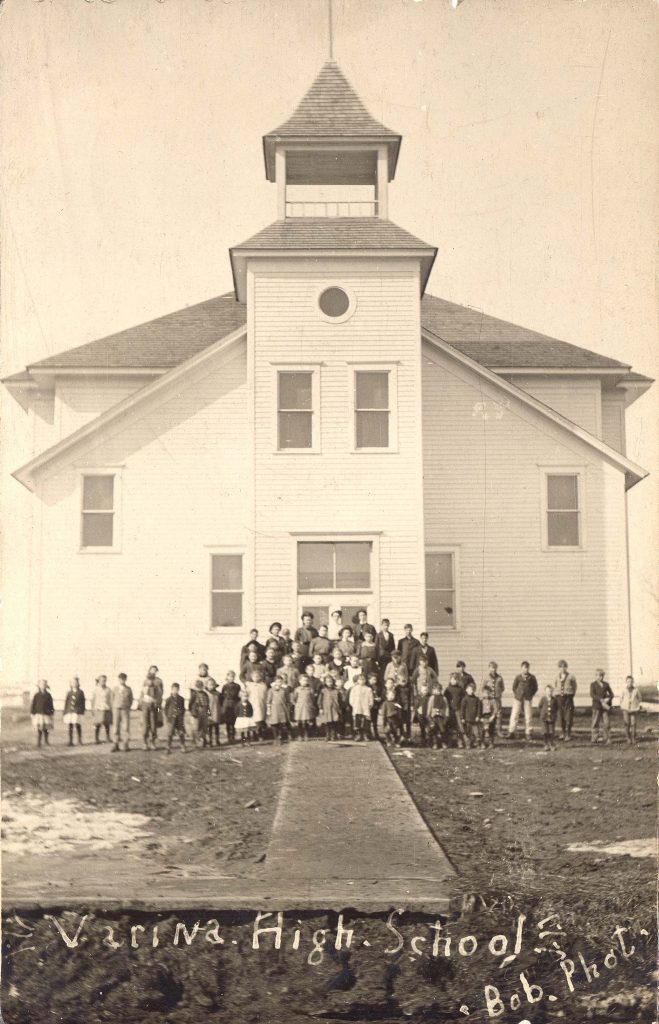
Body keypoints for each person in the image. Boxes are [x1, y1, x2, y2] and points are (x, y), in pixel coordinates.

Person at [508, 661, 538, 741]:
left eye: (527, 668)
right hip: (518, 698)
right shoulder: (518, 677)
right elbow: (514, 687)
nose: (526, 669)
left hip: (528, 699)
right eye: (524, 667)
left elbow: (535, 688)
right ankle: (511, 732)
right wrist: (518, 694)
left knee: (528, 716)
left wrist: (530, 694)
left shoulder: (532, 677)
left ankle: (528, 733)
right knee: (514, 715)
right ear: (521, 668)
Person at [555, 660, 577, 741]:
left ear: (566, 667)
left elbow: (574, 686)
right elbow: (555, 686)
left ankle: (568, 734)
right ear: (559, 668)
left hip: (568, 698)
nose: (562, 668)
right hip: (559, 698)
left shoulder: (571, 676)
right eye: (560, 667)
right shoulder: (557, 676)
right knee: (561, 716)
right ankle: (563, 733)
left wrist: (571, 694)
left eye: (564, 667)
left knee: (568, 716)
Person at [480, 662, 504, 737]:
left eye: (494, 668)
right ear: (489, 668)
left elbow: (502, 688)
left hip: (497, 699)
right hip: (489, 699)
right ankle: (489, 730)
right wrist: (486, 695)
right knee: (489, 714)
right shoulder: (486, 677)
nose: (493, 669)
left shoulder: (499, 677)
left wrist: (498, 694)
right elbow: (481, 688)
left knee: (498, 715)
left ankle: (499, 731)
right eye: (491, 668)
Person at [590, 668, 614, 744]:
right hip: (596, 706)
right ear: (595, 676)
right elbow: (592, 694)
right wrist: (600, 699)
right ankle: (594, 737)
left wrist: (608, 699)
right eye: (598, 675)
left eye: (602, 675)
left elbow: (611, 694)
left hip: (605, 707)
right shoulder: (593, 684)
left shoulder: (606, 684)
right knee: (595, 722)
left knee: (606, 722)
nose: (600, 677)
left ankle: (607, 737)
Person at [111, 673, 133, 752]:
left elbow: (131, 699)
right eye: (120, 679)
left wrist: (127, 706)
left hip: (125, 709)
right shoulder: (115, 688)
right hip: (116, 709)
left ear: (125, 680)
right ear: (118, 679)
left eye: (123, 679)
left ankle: (125, 744)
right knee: (115, 727)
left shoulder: (128, 689)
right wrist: (114, 707)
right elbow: (112, 699)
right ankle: (115, 744)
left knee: (126, 727)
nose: (122, 680)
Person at [349, 673, 374, 741]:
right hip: (357, 708)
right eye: (360, 679)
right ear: (357, 680)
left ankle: (365, 735)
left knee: (366, 722)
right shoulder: (354, 689)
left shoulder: (368, 689)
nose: (362, 681)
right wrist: (354, 705)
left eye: (363, 679)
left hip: (365, 708)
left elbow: (371, 699)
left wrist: (369, 705)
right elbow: (351, 699)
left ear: (365, 680)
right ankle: (358, 735)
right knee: (357, 722)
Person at [138, 675, 160, 750]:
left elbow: (158, 700)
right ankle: (145, 743)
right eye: (148, 680)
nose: (150, 682)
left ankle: (153, 743)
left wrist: (155, 703)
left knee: (153, 726)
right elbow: (140, 700)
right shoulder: (143, 689)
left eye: (152, 680)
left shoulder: (156, 689)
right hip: (145, 709)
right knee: (145, 726)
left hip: (153, 709)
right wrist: (142, 703)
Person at [267, 676, 291, 744]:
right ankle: (275, 737)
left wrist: (288, 707)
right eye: (277, 681)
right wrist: (268, 710)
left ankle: (280, 737)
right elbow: (268, 701)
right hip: (274, 709)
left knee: (281, 723)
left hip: (282, 708)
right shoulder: (271, 690)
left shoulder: (284, 690)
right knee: (274, 723)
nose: (279, 683)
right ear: (274, 682)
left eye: (280, 681)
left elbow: (288, 700)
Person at [445, 672, 466, 748]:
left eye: (455, 679)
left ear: (458, 680)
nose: (454, 681)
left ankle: (459, 741)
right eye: (452, 679)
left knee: (459, 726)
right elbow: (445, 700)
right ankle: (449, 741)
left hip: (458, 710)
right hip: (450, 710)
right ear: (450, 680)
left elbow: (464, 700)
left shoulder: (461, 690)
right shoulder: (447, 689)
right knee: (450, 726)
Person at [459, 681, 483, 749]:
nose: (471, 691)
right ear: (466, 690)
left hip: (475, 720)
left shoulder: (476, 699)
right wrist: (462, 718)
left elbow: (479, 709)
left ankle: (478, 744)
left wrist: (478, 716)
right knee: (468, 732)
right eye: (469, 689)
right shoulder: (464, 699)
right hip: (467, 719)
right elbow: (462, 710)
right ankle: (468, 744)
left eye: (473, 689)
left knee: (476, 732)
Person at [31, 679, 54, 748]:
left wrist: (51, 713)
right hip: (39, 714)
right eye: (41, 684)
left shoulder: (48, 695)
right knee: (40, 728)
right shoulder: (36, 695)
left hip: (46, 714)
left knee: (46, 728)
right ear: (39, 686)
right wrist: (32, 713)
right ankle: (39, 741)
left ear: (46, 686)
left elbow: (51, 705)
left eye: (44, 684)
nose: (43, 686)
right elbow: (33, 704)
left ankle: (46, 740)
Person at [246, 670, 268, 741]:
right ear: (252, 678)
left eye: (258, 676)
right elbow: (246, 694)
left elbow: (266, 695)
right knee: (254, 720)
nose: (256, 678)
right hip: (253, 704)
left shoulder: (263, 685)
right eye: (254, 677)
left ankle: (261, 734)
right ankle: (255, 735)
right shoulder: (250, 686)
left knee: (261, 719)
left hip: (261, 704)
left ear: (260, 677)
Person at [164, 683, 186, 753]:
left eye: (177, 689)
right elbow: (165, 709)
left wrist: (181, 715)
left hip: (179, 719)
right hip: (171, 719)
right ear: (171, 689)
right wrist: (168, 716)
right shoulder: (168, 699)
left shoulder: (181, 699)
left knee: (181, 733)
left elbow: (183, 708)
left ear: (178, 690)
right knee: (170, 733)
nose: (175, 691)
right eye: (174, 689)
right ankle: (168, 747)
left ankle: (182, 746)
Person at [619, 675, 641, 745]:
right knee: (627, 724)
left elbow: (640, 698)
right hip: (625, 709)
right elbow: (620, 699)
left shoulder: (636, 690)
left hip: (633, 709)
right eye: (628, 681)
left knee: (633, 724)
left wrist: (636, 705)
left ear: (633, 682)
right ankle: (628, 738)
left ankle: (633, 738)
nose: (630, 683)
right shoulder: (623, 690)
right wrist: (623, 706)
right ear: (626, 682)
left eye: (631, 681)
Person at [63, 677, 86, 746]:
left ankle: (79, 740)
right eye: (73, 683)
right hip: (70, 711)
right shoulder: (69, 692)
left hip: (77, 711)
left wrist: (82, 710)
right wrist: (65, 711)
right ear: (71, 684)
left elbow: (83, 702)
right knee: (70, 726)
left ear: (78, 683)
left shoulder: (81, 692)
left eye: (75, 682)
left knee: (78, 725)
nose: (74, 684)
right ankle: (70, 741)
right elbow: (66, 702)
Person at [189, 678, 211, 748]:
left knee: (204, 727)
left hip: (204, 712)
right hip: (197, 712)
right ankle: (195, 742)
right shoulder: (194, 694)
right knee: (196, 727)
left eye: (201, 686)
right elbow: (190, 704)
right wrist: (192, 712)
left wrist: (208, 712)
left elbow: (208, 704)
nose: (199, 688)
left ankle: (204, 741)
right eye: (198, 687)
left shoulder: (205, 694)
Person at [221, 670, 241, 743]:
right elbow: (222, 696)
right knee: (228, 723)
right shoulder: (225, 686)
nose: (231, 678)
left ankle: (233, 737)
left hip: (234, 705)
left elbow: (239, 696)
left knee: (233, 722)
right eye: (230, 676)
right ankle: (229, 737)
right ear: (227, 677)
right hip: (227, 706)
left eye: (233, 676)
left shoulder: (237, 686)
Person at [427, 682, 449, 749]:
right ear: (433, 690)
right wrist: (429, 718)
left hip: (441, 717)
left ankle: (443, 742)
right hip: (434, 717)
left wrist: (446, 717)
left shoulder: (444, 698)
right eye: (436, 690)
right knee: (434, 730)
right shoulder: (432, 698)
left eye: (439, 690)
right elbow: (429, 708)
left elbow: (446, 708)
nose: (438, 692)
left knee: (442, 730)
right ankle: (435, 743)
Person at [319, 676, 342, 741]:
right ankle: (327, 735)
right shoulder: (323, 691)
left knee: (334, 722)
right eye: (328, 682)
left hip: (334, 709)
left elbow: (340, 700)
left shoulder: (336, 691)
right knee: (327, 723)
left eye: (331, 681)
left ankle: (333, 735)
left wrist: (339, 708)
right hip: (326, 709)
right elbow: (320, 700)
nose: (330, 683)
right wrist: (321, 708)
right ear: (325, 683)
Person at [293, 677, 316, 741]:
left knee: (306, 721)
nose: (304, 682)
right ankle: (299, 735)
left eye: (306, 681)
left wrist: (310, 704)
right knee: (299, 721)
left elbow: (313, 698)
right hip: (299, 707)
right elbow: (294, 698)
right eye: (303, 680)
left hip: (307, 706)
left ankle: (306, 735)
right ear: (299, 681)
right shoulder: (297, 689)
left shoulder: (310, 689)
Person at [537, 684, 559, 752]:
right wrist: (544, 712)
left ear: (552, 692)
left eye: (550, 691)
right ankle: (546, 744)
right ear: (545, 692)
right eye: (547, 691)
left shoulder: (554, 699)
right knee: (545, 731)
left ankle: (552, 744)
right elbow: (540, 706)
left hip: (552, 718)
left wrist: (554, 714)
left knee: (551, 731)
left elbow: (557, 707)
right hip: (544, 718)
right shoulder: (543, 699)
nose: (549, 692)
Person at [91, 675, 113, 744]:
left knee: (107, 724)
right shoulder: (95, 690)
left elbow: (111, 699)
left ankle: (107, 738)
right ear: (99, 681)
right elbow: (93, 700)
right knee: (97, 724)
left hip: (106, 709)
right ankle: (96, 739)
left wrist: (111, 708)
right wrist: (92, 709)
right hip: (98, 709)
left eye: (104, 680)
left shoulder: (108, 690)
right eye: (102, 680)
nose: (103, 682)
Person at [479, 674, 499, 748]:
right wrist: (480, 717)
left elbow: (495, 709)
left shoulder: (492, 700)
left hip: (490, 716)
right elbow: (478, 709)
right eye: (485, 692)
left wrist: (493, 716)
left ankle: (491, 742)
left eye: (488, 693)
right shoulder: (481, 701)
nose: (486, 694)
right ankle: (482, 743)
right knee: (483, 730)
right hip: (483, 716)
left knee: (491, 729)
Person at [367, 671, 383, 739]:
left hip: (375, 706)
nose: (375, 681)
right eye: (373, 679)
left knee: (375, 720)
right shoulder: (367, 687)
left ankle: (376, 733)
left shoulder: (378, 687)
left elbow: (381, 694)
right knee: (368, 721)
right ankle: (369, 734)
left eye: (376, 679)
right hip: (369, 706)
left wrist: (380, 698)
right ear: (369, 679)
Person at [207, 678, 222, 747]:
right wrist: (208, 713)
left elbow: (221, 703)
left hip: (216, 712)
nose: (211, 686)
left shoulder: (218, 694)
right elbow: (206, 705)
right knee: (209, 728)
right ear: (207, 685)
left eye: (213, 685)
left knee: (216, 727)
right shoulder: (206, 694)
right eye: (210, 685)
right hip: (209, 713)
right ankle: (210, 741)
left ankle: (217, 740)